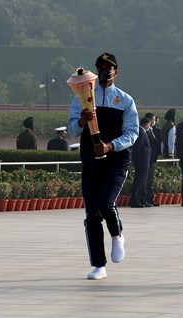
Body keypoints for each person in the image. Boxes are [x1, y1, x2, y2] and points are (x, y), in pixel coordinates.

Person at [68, 52, 138, 281]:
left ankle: (117, 236)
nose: (105, 71)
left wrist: (111, 146)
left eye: (110, 67)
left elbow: (132, 133)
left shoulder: (125, 100)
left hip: (116, 161)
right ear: (96, 70)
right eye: (101, 67)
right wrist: (81, 120)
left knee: (106, 204)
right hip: (91, 161)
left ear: (116, 72)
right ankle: (99, 265)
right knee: (92, 214)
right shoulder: (82, 96)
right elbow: (72, 130)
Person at [130, 117, 152, 208]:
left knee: (143, 182)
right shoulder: (141, 133)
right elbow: (137, 148)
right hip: (142, 162)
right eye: (149, 124)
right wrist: (135, 159)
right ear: (146, 123)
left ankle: (142, 200)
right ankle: (135, 200)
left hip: (144, 162)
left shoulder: (143, 132)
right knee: (139, 182)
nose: (150, 126)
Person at [142, 112, 160, 207]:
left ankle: (150, 198)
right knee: (146, 180)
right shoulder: (145, 131)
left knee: (150, 181)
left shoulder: (152, 130)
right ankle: (145, 199)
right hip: (147, 159)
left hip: (152, 159)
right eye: (153, 120)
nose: (154, 121)